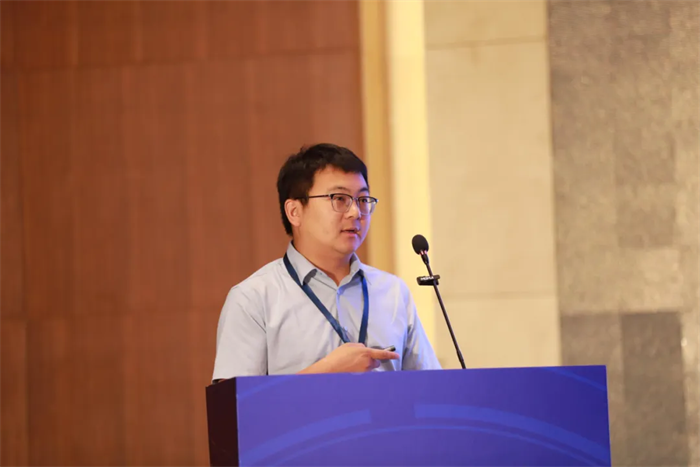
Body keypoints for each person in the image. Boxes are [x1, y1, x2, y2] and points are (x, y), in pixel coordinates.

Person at [212, 143, 441, 380]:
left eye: (362, 200)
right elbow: (238, 401)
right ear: (294, 212)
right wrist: (329, 370)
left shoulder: (393, 292)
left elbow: (432, 389)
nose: (355, 212)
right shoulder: (253, 299)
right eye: (339, 199)